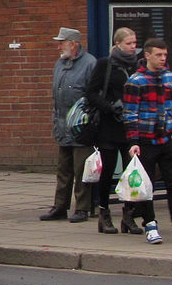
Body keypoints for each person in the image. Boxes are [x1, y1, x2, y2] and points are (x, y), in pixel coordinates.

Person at [122, 37, 172, 244]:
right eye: (158, 54)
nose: (162, 58)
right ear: (147, 55)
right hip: (146, 141)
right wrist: (134, 142)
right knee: (147, 186)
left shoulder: (170, 78)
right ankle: (150, 225)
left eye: (165, 55)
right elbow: (130, 114)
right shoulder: (135, 81)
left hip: (167, 139)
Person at [84, 28, 140, 234]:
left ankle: (129, 215)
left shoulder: (137, 65)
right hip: (109, 126)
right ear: (117, 44)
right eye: (129, 43)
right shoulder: (105, 64)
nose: (133, 47)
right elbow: (90, 93)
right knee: (107, 171)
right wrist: (109, 106)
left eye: (134, 43)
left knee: (130, 172)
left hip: (130, 126)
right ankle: (104, 213)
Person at [40, 27, 97, 222]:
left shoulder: (90, 64)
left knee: (81, 170)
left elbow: (93, 96)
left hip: (81, 126)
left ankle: (82, 208)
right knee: (63, 171)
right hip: (62, 125)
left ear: (73, 44)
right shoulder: (60, 63)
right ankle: (60, 206)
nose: (58, 46)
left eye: (61, 42)